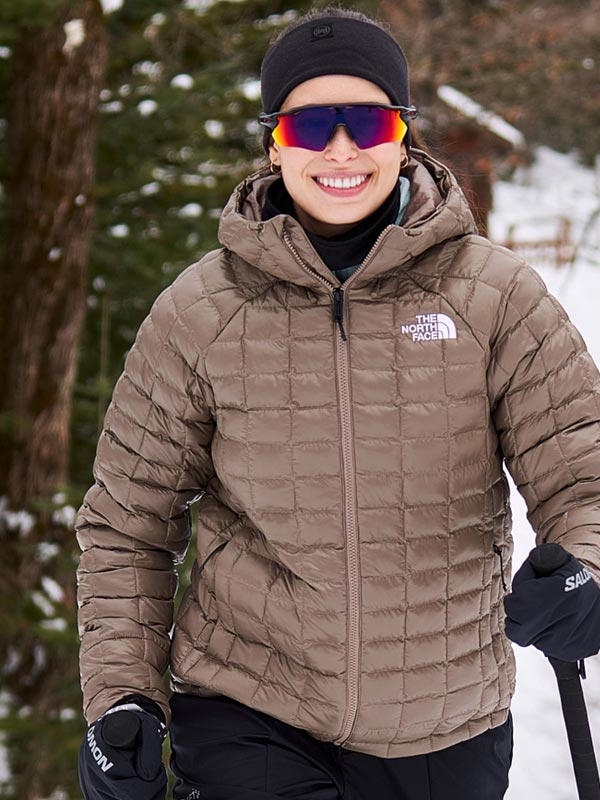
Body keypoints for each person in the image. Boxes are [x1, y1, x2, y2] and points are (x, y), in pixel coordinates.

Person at [76, 7, 600, 800]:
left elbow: (581, 473)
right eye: (311, 126)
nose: (342, 149)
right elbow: (128, 523)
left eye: (369, 121)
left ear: (403, 134)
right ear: (274, 143)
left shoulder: (496, 297)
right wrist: (123, 696)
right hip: (251, 712)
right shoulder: (200, 311)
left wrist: (587, 568)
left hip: (445, 726)